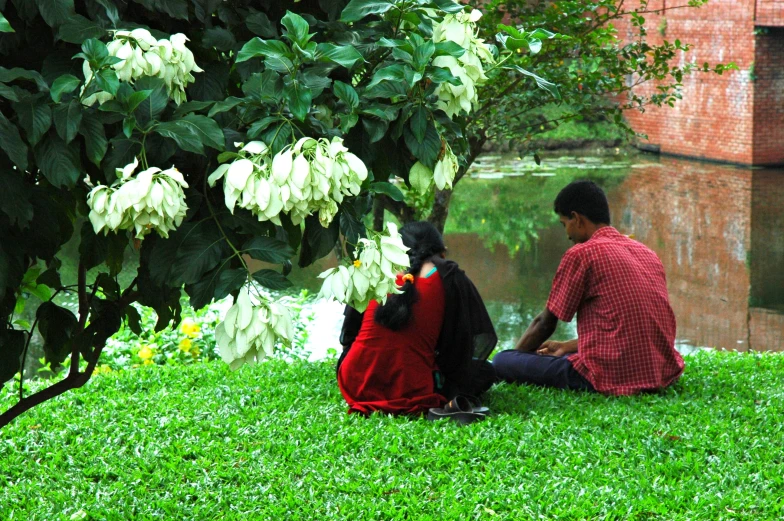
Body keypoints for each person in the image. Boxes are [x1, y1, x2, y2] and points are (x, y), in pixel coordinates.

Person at [493, 180, 684, 396]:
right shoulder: (646, 252)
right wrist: (568, 346)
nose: (567, 235)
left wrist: (516, 359)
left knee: (502, 360)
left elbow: (545, 323)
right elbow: (630, 330)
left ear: (577, 218)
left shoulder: (582, 253)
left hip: (607, 375)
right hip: (659, 371)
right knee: (557, 356)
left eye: (564, 224)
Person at [337, 221, 497, 415]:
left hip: (355, 382)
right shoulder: (448, 274)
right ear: (442, 253)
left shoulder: (373, 268)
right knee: (485, 371)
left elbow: (349, 336)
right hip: (413, 388)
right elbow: (464, 343)